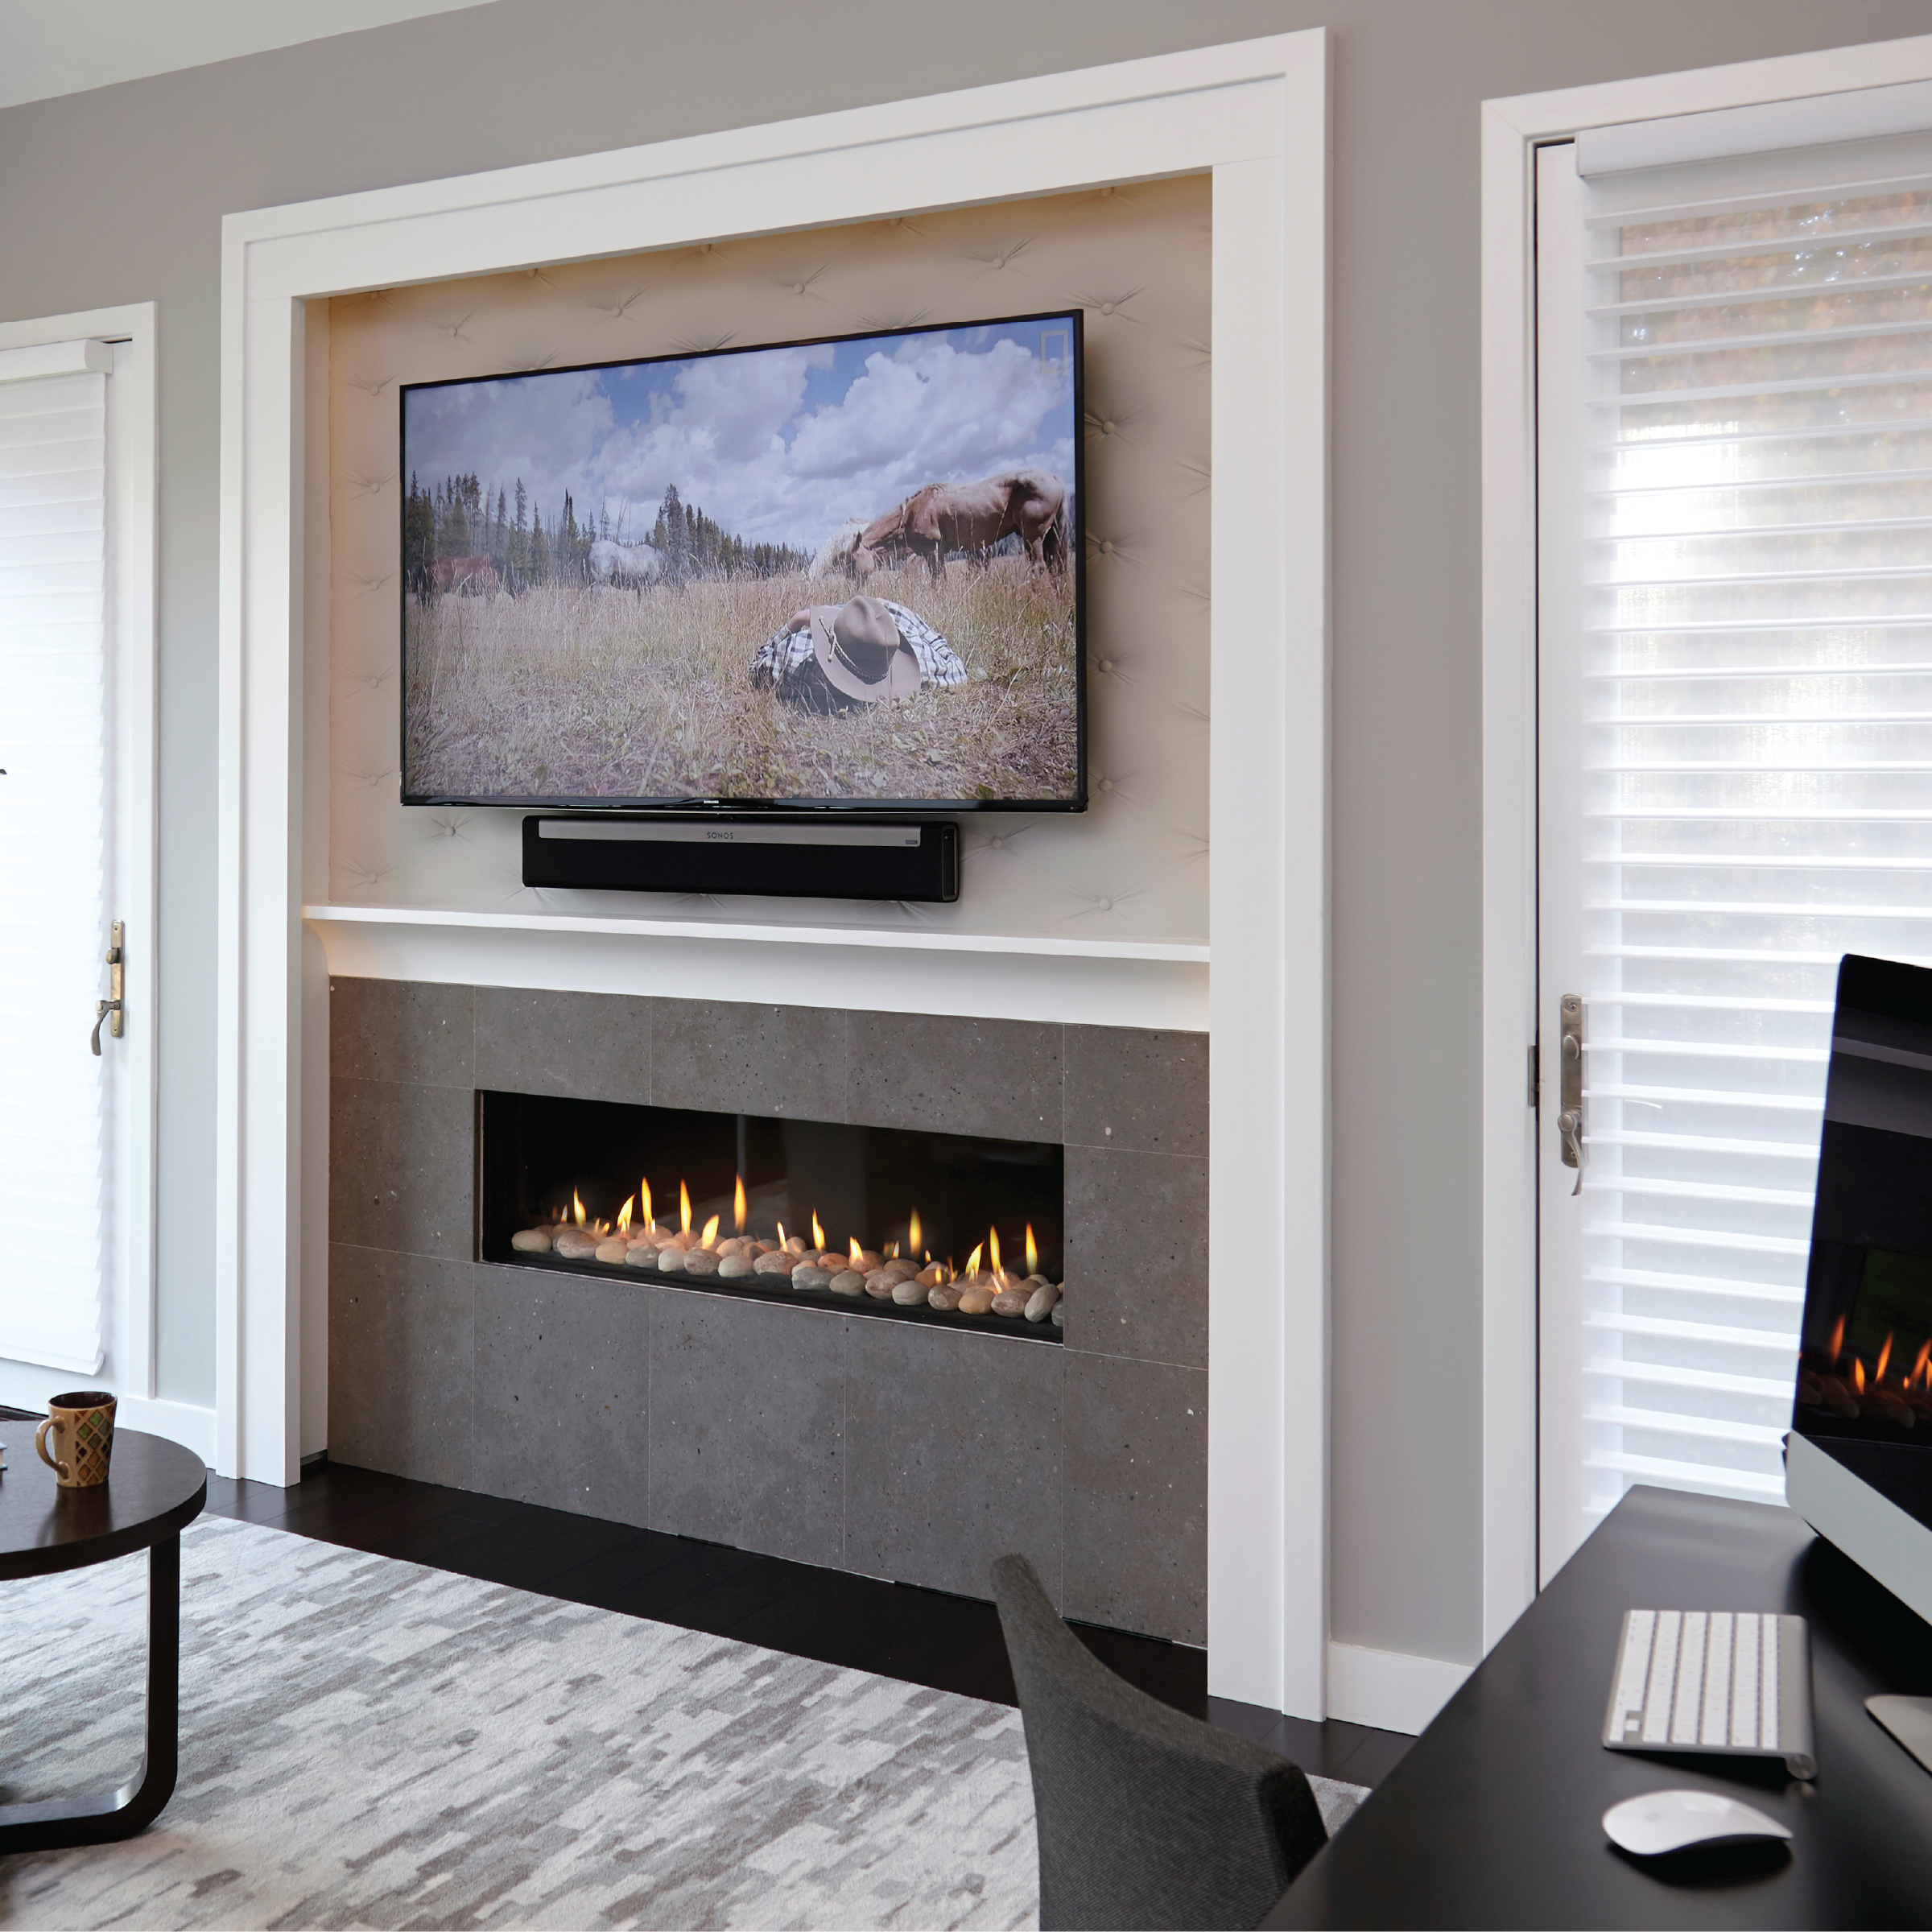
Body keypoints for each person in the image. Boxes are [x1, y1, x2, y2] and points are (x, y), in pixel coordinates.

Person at [749, 594, 967, 712]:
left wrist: (796, 620)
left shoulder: (801, 658)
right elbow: (958, 671)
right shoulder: (918, 658)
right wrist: (907, 617)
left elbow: (757, 665)